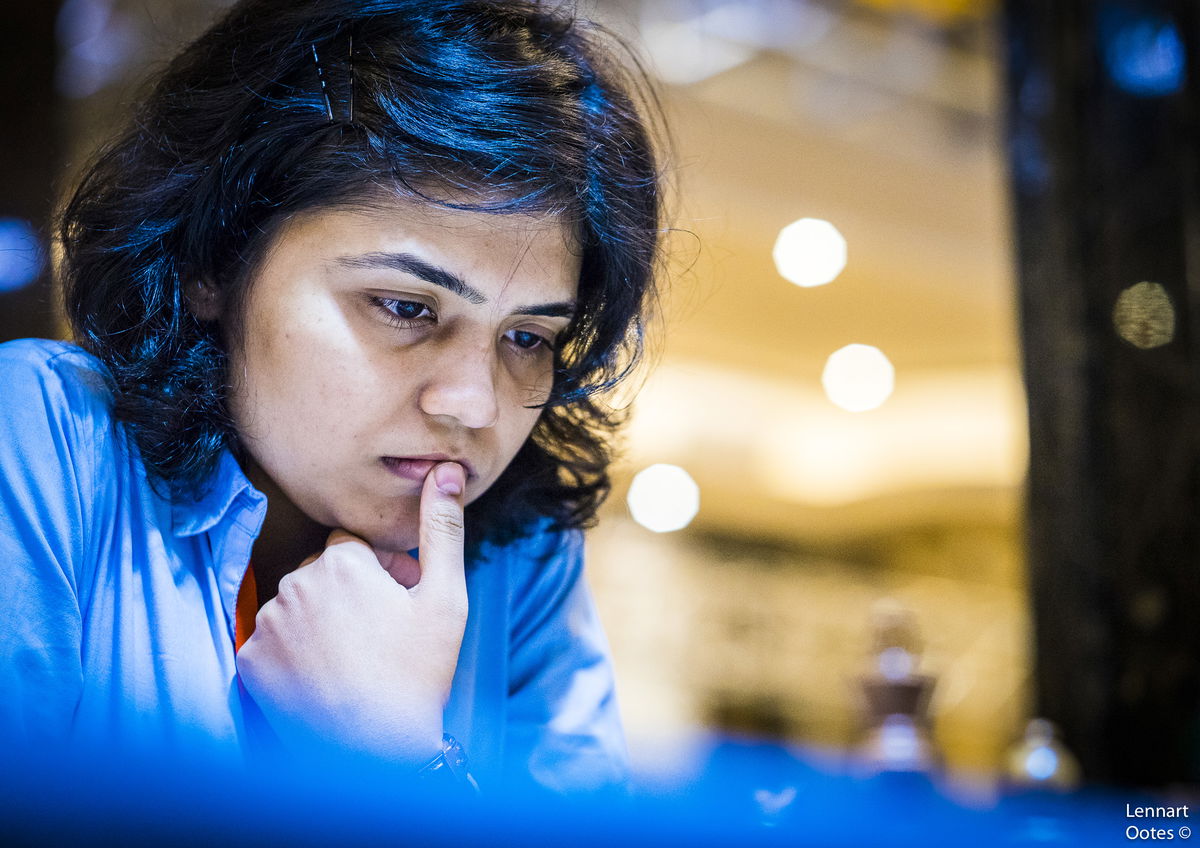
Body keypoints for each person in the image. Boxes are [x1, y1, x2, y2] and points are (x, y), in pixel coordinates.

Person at [0, 0, 661, 797]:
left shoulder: (519, 557)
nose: (474, 404)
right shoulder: (43, 435)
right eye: (406, 308)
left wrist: (396, 763)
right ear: (216, 259)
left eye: (527, 338)